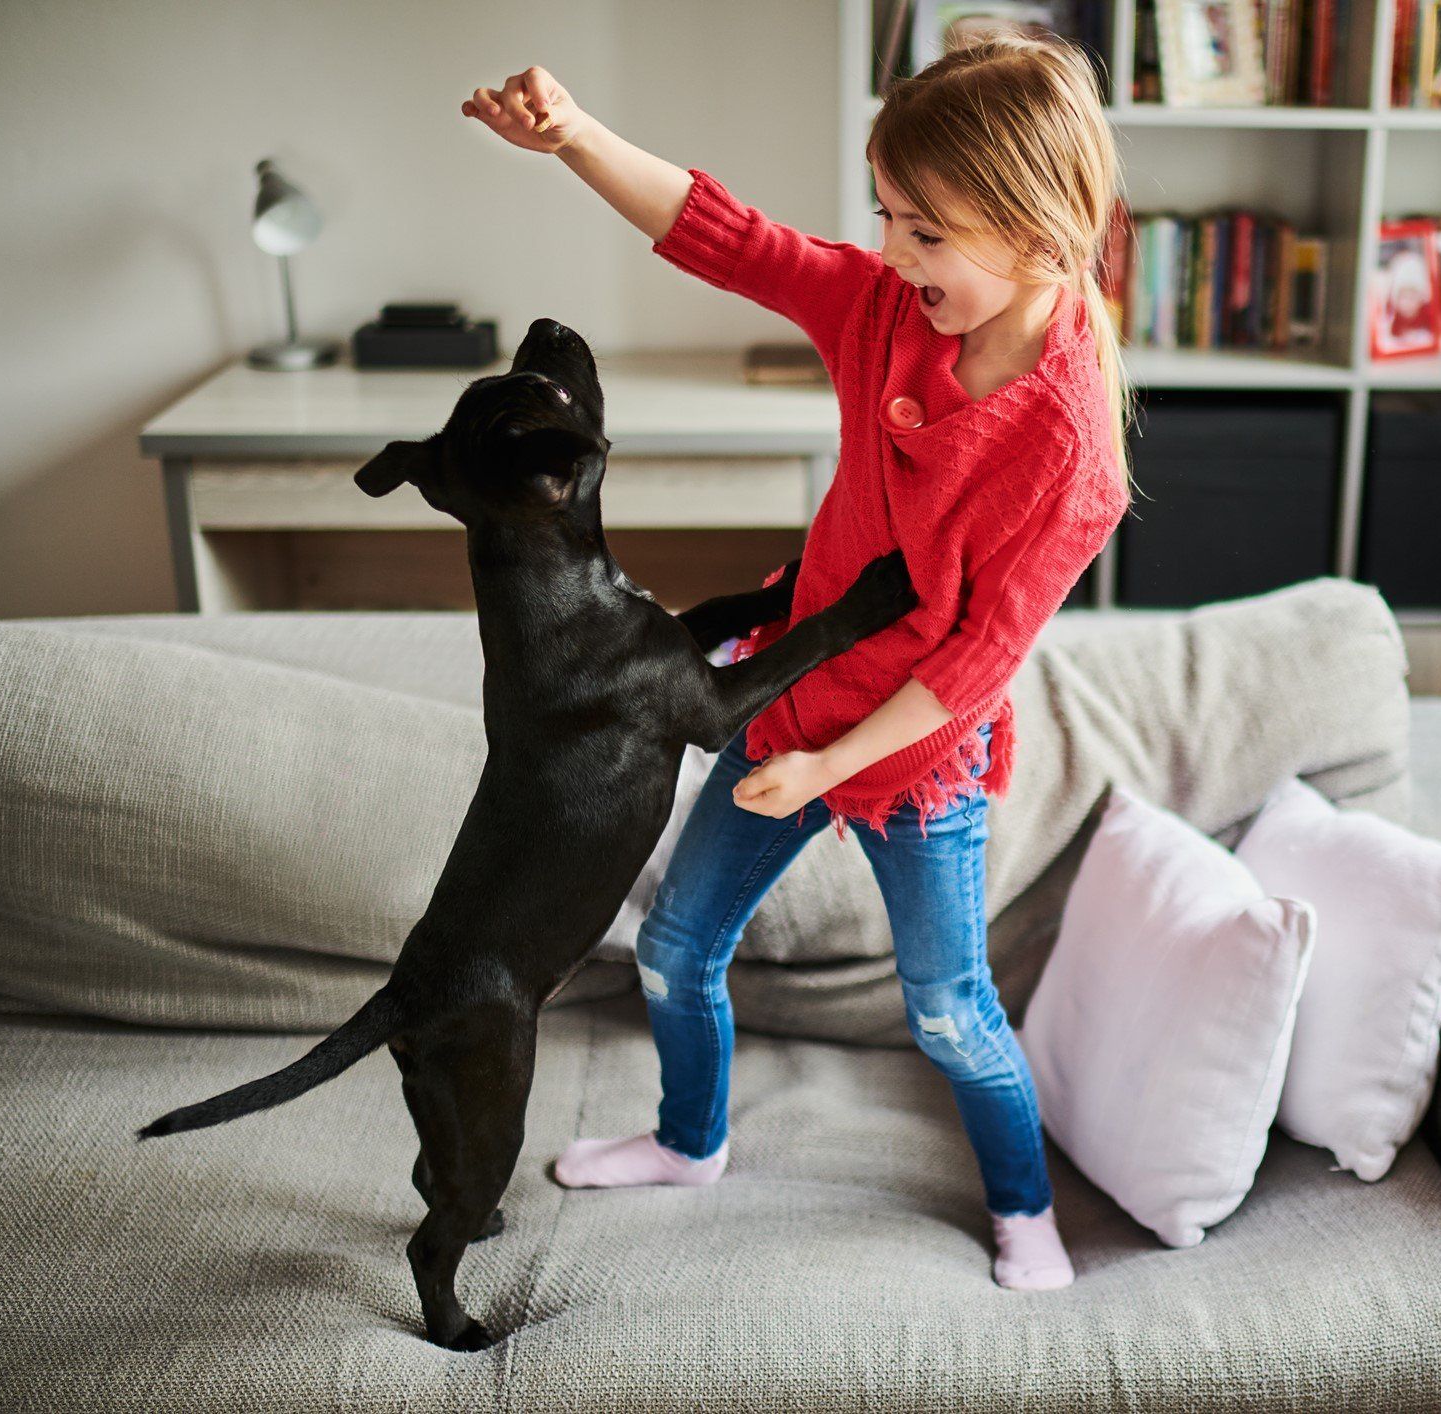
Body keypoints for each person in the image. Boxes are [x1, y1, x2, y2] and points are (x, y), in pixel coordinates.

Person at [461, 30, 1132, 1292]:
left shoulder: (1071, 453)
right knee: (673, 950)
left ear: (1035, 232)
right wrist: (575, 138)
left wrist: (831, 767)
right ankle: (689, 1143)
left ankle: (1024, 1204)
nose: (894, 254)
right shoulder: (885, 309)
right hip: (793, 696)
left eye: (925, 231)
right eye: (887, 218)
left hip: (917, 755)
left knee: (948, 1010)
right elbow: (734, 239)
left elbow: (978, 659)